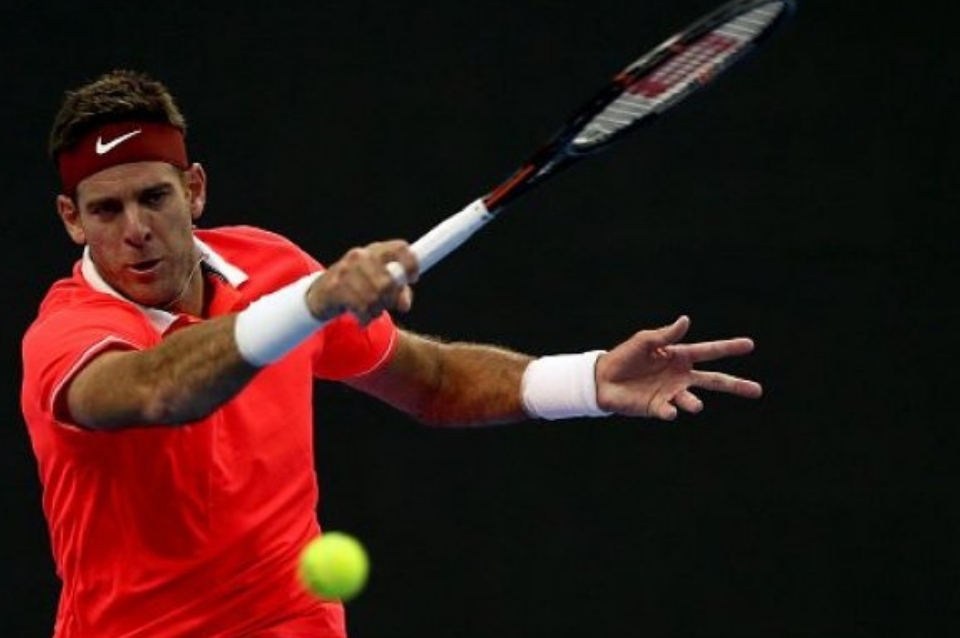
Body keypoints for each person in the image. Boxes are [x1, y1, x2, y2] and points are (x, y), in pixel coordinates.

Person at [20, 68, 763, 638]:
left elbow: (432, 381)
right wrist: (308, 305)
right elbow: (158, 390)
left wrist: (588, 380)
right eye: (106, 210)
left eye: (154, 198)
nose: (136, 230)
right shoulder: (67, 335)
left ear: (194, 189)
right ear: (71, 220)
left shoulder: (272, 267)